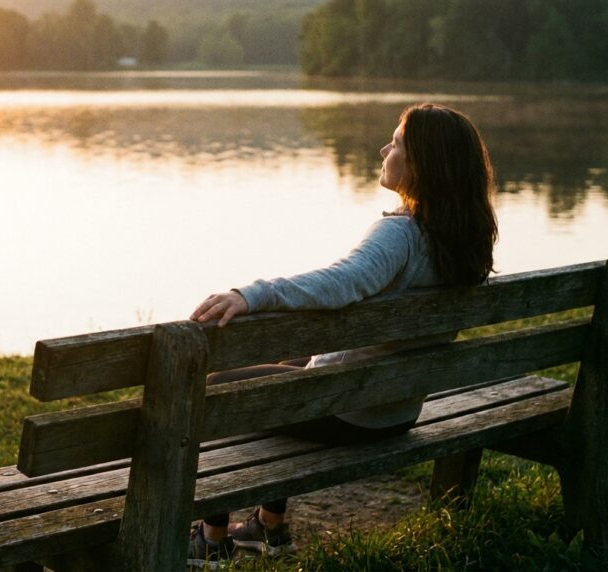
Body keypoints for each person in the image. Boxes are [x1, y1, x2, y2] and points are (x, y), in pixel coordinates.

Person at [185, 103, 499, 569]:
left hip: (351, 412)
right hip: (397, 409)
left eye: (395, 143)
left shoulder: (403, 235)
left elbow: (342, 282)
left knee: (217, 388)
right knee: (293, 366)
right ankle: (269, 526)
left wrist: (254, 294)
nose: (383, 150)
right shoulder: (464, 239)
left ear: (422, 165)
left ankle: (211, 541)